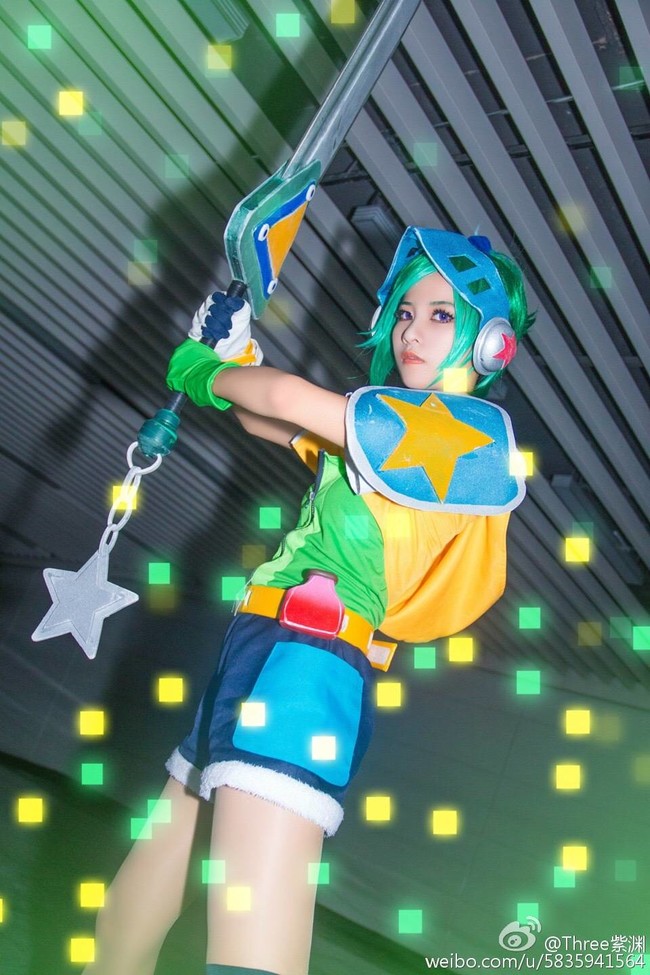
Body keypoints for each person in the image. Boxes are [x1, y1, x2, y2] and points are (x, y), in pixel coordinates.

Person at [82, 228, 534, 975]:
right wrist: (235, 354)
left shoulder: (468, 436)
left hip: (310, 662)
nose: (412, 330)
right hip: (261, 647)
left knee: (250, 937)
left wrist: (203, 371)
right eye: (406, 311)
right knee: (156, 863)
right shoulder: (385, 425)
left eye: (442, 315)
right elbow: (272, 418)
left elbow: (288, 398)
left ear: (492, 344)